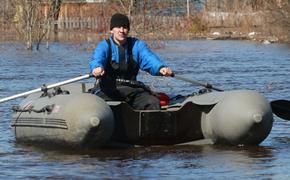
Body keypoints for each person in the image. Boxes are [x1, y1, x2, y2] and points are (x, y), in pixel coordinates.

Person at [89, 13, 173, 110]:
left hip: (131, 89)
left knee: (152, 102)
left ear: (128, 30)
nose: (122, 30)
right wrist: (97, 68)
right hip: (107, 89)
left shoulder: (137, 45)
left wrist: (160, 68)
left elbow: (149, 58)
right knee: (102, 105)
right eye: (118, 27)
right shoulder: (104, 46)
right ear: (111, 30)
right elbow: (97, 59)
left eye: (125, 27)